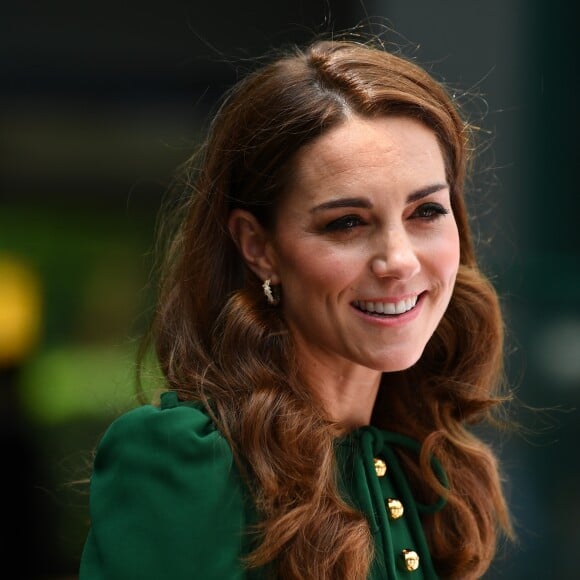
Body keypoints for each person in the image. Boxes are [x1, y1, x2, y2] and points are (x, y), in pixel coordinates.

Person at [79, 37, 514, 580]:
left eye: (425, 210)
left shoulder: (422, 462)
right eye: (346, 223)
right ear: (259, 247)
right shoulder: (187, 461)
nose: (398, 261)